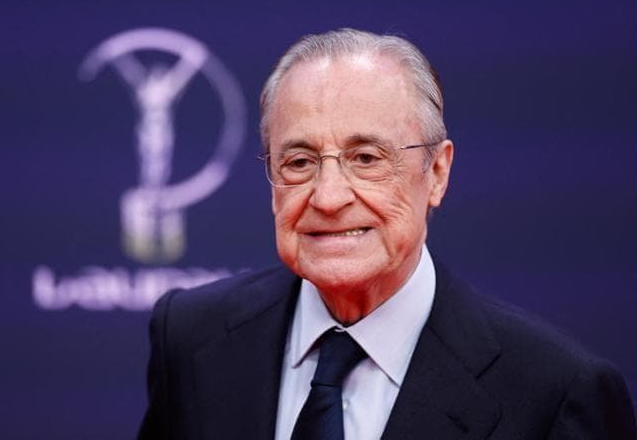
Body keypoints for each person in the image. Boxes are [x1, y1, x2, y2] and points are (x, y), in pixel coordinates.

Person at [137, 28, 636, 440]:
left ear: (436, 173)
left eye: (366, 158)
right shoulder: (191, 338)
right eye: (299, 162)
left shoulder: (555, 394)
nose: (328, 197)